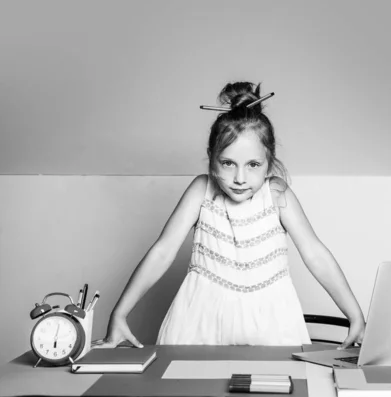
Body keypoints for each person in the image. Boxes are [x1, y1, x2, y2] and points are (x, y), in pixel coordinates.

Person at [93, 82, 365, 349]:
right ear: (212, 157)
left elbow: (315, 254)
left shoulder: (277, 193)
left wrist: (355, 315)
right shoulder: (201, 189)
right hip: (199, 322)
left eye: (253, 165)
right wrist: (119, 313)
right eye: (227, 163)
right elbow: (163, 252)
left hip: (272, 323)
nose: (239, 178)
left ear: (269, 161)